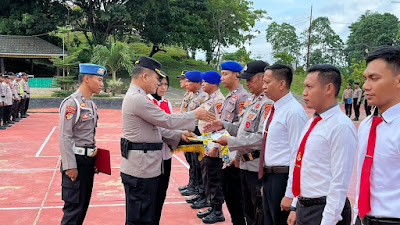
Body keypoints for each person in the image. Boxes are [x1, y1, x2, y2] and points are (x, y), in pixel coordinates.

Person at [120, 56, 215, 225]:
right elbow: (166, 120)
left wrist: (179, 135)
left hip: (145, 165)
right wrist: (195, 115)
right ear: (145, 76)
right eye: (157, 79)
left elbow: (157, 128)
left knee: (148, 214)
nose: (158, 84)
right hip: (141, 169)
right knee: (139, 218)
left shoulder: (138, 96)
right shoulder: (138, 99)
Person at [205, 60, 274, 225]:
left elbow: (260, 137)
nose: (247, 82)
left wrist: (229, 141)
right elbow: (242, 129)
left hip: (256, 165)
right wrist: (224, 124)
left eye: (250, 79)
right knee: (246, 210)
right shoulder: (252, 100)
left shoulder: (267, 103)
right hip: (243, 162)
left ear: (262, 78)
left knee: (255, 212)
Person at [287, 64, 357, 225]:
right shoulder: (313, 121)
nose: (304, 92)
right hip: (305, 207)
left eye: (309, 87)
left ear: (329, 88)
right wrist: (295, 206)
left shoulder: (340, 126)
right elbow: (302, 166)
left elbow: (339, 182)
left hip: (324, 210)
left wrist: (328, 221)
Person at [353, 46, 400, 225]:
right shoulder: (366, 125)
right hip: (363, 219)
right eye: (365, 78)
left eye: (374, 78)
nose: (366, 86)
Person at [58, 63, 106, 225]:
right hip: (75, 162)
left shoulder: (91, 104)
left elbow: (88, 136)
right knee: (73, 211)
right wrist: (69, 165)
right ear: (86, 79)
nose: (102, 84)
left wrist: (95, 158)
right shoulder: (72, 104)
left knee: (82, 208)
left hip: (87, 162)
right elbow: (65, 136)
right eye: (99, 80)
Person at [260, 64, 308, 225]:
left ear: (281, 84)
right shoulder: (276, 109)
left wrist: (290, 194)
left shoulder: (294, 112)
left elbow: (298, 154)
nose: (263, 87)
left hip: (283, 178)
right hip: (270, 178)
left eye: (267, 82)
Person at [219, 61, 249, 225]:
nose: (222, 78)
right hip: (226, 150)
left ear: (237, 75)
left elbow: (242, 129)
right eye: (222, 74)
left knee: (237, 197)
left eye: (225, 74)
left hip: (235, 152)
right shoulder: (230, 97)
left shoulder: (243, 97)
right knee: (229, 194)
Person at [196, 71, 226, 223]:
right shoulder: (210, 99)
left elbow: (221, 125)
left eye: (205, 82)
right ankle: (212, 206)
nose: (202, 84)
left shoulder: (219, 100)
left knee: (214, 177)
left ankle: (218, 211)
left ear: (213, 83)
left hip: (214, 145)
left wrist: (215, 146)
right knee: (207, 176)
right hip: (206, 143)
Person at [146, 72, 174, 225]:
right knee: (150, 193)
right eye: (160, 84)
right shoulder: (146, 101)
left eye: (166, 84)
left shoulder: (167, 103)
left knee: (161, 191)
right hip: (151, 156)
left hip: (166, 155)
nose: (163, 87)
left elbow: (171, 124)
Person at [180, 71, 209, 210]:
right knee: (191, 160)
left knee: (199, 163)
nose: (186, 83)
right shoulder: (190, 95)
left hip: (197, 131)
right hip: (188, 130)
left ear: (198, 83)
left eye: (189, 81)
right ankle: (195, 187)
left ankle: (201, 191)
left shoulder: (204, 97)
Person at [176, 70, 197, 194]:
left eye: (184, 79)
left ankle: (196, 187)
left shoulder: (197, 96)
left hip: (193, 130)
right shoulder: (188, 95)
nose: (182, 81)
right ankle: (192, 183)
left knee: (195, 162)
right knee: (190, 160)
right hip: (185, 129)